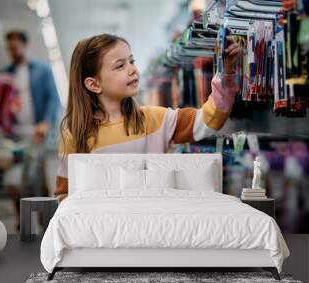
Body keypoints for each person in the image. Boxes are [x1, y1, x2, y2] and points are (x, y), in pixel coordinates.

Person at [55, 34, 241, 203]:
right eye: (120, 66)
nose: (132, 70)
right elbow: (64, 195)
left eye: (131, 61)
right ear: (94, 84)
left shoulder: (156, 120)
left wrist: (226, 72)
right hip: (104, 235)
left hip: (153, 227)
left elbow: (210, 119)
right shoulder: (75, 134)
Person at [0, 30, 62, 225]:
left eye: (16, 47)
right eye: (9, 48)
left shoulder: (42, 70)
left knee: (37, 177)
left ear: (25, 45)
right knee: (15, 178)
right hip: (14, 134)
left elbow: (54, 100)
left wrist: (46, 123)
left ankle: (46, 221)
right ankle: (23, 220)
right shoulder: (5, 74)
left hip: (37, 133)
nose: (13, 51)